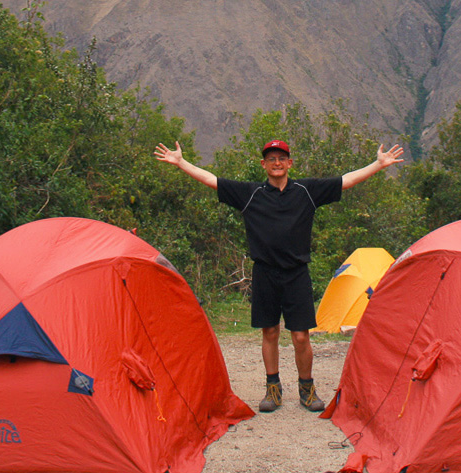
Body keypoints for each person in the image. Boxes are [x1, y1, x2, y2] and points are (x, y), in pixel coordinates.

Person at [153, 139, 404, 412]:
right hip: (264, 273)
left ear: (289, 163)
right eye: (271, 158)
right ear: (263, 164)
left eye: (281, 158)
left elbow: (345, 181)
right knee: (270, 331)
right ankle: (272, 390)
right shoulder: (250, 194)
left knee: (300, 336)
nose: (276, 163)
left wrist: (378, 165)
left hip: (297, 274)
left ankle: (307, 389)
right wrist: (181, 162)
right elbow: (213, 181)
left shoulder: (306, 191)